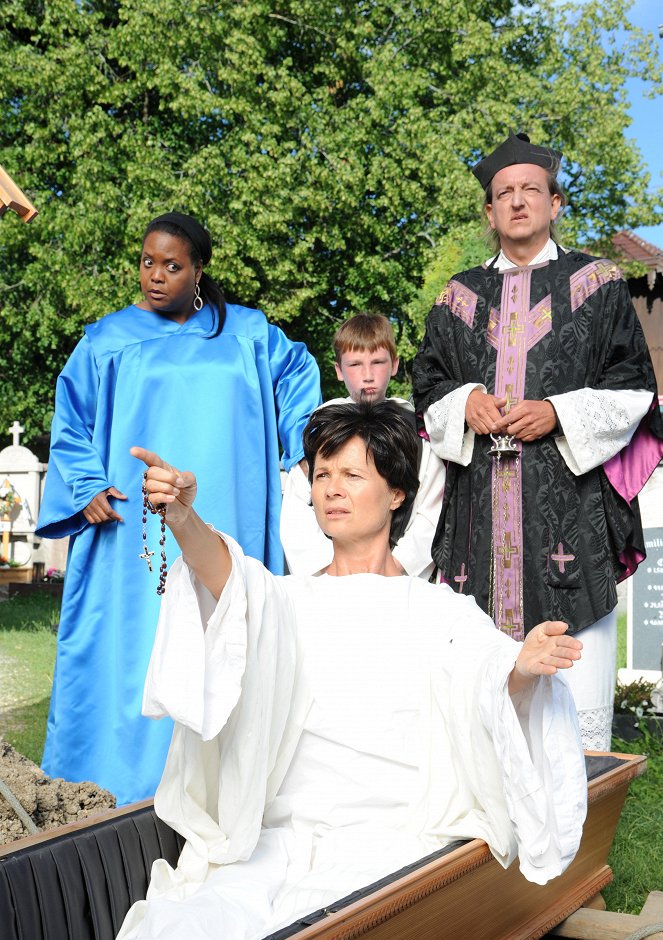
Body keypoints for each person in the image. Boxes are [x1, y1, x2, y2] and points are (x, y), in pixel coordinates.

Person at [104, 401, 586, 940]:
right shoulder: (288, 600)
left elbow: (483, 674)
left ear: (397, 494)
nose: (332, 490)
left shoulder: (436, 609)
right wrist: (183, 519)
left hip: (386, 849)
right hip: (276, 842)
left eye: (353, 475)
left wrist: (521, 668)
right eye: (323, 474)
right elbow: (229, 580)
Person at [36, 211, 321, 805]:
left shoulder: (245, 334)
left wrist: (305, 452)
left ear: (198, 271)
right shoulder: (106, 341)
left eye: (172, 265)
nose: (155, 276)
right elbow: (71, 422)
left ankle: (228, 796)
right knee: (131, 651)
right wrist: (86, 482)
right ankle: (111, 793)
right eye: (147, 262)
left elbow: (298, 377)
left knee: (224, 640)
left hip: (229, 518)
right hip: (131, 533)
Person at [412, 132, 663, 751]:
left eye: (531, 190)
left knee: (572, 725)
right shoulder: (459, 296)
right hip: (479, 521)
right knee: (486, 715)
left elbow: (635, 386)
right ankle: (490, 839)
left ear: (556, 204)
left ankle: (583, 832)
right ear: (489, 213)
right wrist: (463, 401)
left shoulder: (598, 284)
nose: (518, 202)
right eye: (505, 193)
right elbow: (427, 384)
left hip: (568, 522)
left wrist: (557, 412)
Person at [280, 313, 446, 578]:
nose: (367, 376)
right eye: (355, 364)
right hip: (330, 575)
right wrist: (325, 568)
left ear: (394, 365)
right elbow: (296, 504)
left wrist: (399, 564)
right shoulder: (321, 425)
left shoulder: (417, 428)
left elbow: (432, 505)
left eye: (378, 362)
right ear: (338, 370)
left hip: (394, 573)